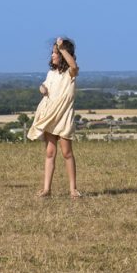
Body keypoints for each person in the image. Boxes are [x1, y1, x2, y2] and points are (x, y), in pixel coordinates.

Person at [27, 37, 82, 199]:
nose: (52, 55)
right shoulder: (51, 73)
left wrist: (62, 48)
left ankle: (73, 189)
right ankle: (46, 189)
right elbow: (45, 86)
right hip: (51, 117)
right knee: (50, 152)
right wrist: (42, 88)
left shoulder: (70, 73)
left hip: (63, 117)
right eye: (53, 52)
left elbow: (73, 65)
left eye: (55, 53)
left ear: (65, 54)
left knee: (67, 153)